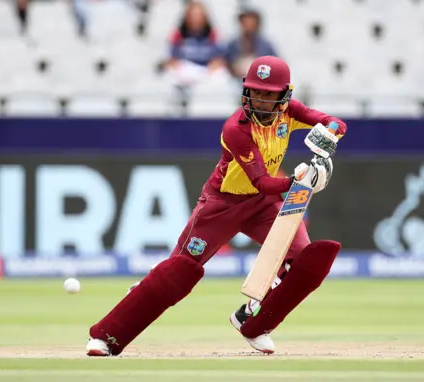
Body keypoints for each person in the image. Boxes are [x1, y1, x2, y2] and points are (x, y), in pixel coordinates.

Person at [86, 55, 347, 356]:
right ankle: (106, 336)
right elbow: (261, 180)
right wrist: (299, 181)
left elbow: (335, 122)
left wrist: (330, 133)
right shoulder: (236, 129)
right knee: (178, 272)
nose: (261, 100)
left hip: (265, 205)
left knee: (303, 259)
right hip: (222, 204)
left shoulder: (290, 111)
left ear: (284, 95)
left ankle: (252, 319)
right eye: (255, 92)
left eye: (268, 94)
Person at [163, 1, 228, 88]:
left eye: (199, 15)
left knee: (221, 76)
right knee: (170, 75)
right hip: (186, 69)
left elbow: (219, 58)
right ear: (187, 17)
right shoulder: (178, 34)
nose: (196, 19)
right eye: (193, 15)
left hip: (207, 69)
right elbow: (173, 58)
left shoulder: (213, 33)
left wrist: (214, 65)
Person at [226, 8, 278, 83]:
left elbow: (277, 66)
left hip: (260, 82)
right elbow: (226, 63)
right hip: (236, 82)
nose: (249, 24)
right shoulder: (232, 44)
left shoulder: (266, 45)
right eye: (246, 21)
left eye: (252, 21)